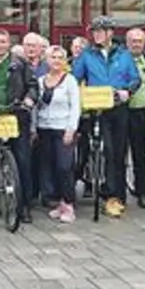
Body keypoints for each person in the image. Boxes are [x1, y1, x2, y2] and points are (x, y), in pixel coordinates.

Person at [71, 16, 141, 218]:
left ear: (110, 33)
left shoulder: (124, 55)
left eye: (100, 31)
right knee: (106, 150)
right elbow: (75, 79)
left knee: (118, 153)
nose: (97, 35)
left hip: (118, 108)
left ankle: (116, 196)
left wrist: (127, 90)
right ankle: (105, 190)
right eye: (94, 31)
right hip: (97, 108)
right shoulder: (87, 55)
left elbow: (135, 79)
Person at [0, 29, 39, 222]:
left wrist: (29, 99)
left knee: (22, 161)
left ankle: (25, 206)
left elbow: (33, 85)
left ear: (9, 44)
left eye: (4, 41)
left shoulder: (19, 64)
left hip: (16, 116)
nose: (0, 45)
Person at [34, 45, 81, 223]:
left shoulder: (70, 81)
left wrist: (71, 129)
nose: (57, 61)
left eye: (60, 58)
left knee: (64, 167)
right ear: (47, 60)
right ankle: (59, 203)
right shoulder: (40, 81)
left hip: (63, 129)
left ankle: (69, 203)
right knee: (51, 168)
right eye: (53, 57)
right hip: (44, 128)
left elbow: (75, 106)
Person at [123, 28, 145, 208]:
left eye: (139, 41)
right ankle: (116, 192)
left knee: (140, 153)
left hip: (141, 112)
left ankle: (143, 190)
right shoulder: (120, 59)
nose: (136, 44)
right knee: (118, 154)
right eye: (133, 41)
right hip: (122, 110)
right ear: (127, 42)